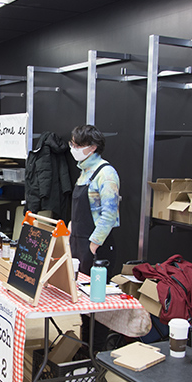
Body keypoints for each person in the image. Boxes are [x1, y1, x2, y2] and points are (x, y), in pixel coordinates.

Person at [68, 125, 121, 351]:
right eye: (73, 144)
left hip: (97, 247)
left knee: (96, 302)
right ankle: (84, 347)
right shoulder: (84, 172)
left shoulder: (106, 173)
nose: (74, 149)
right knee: (81, 299)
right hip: (77, 243)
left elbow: (109, 214)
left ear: (93, 147)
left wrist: (92, 245)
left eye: (78, 145)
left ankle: (97, 352)